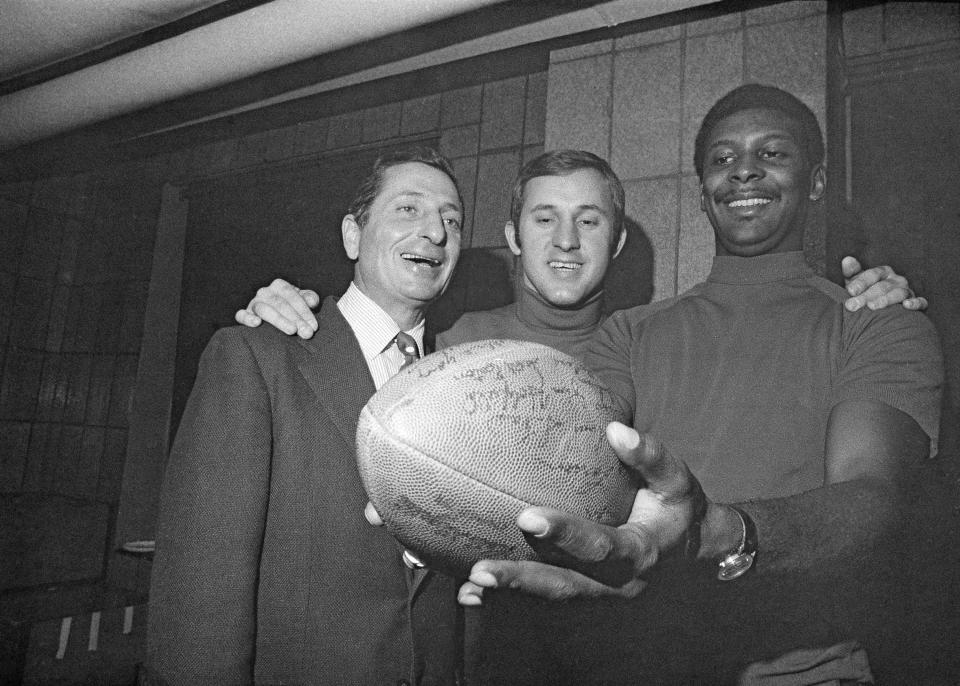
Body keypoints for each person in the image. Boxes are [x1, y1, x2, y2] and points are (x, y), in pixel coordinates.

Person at [235, 143, 931, 683]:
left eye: (589, 219)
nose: (565, 242)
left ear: (618, 242)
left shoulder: (643, 345)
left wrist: (877, 290)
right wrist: (296, 308)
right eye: (544, 218)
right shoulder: (450, 346)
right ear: (512, 235)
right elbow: (365, 345)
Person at [453, 84, 944, 684]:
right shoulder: (629, 333)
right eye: (722, 159)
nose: (743, 170)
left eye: (772, 154)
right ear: (702, 193)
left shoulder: (878, 322)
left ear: (816, 182)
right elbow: (570, 462)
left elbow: (876, 501)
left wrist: (717, 533)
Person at [145, 148, 467, 685]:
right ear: (352, 236)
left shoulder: (462, 385)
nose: (435, 231)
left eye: (452, 219)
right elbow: (199, 592)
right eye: (408, 210)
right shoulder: (256, 356)